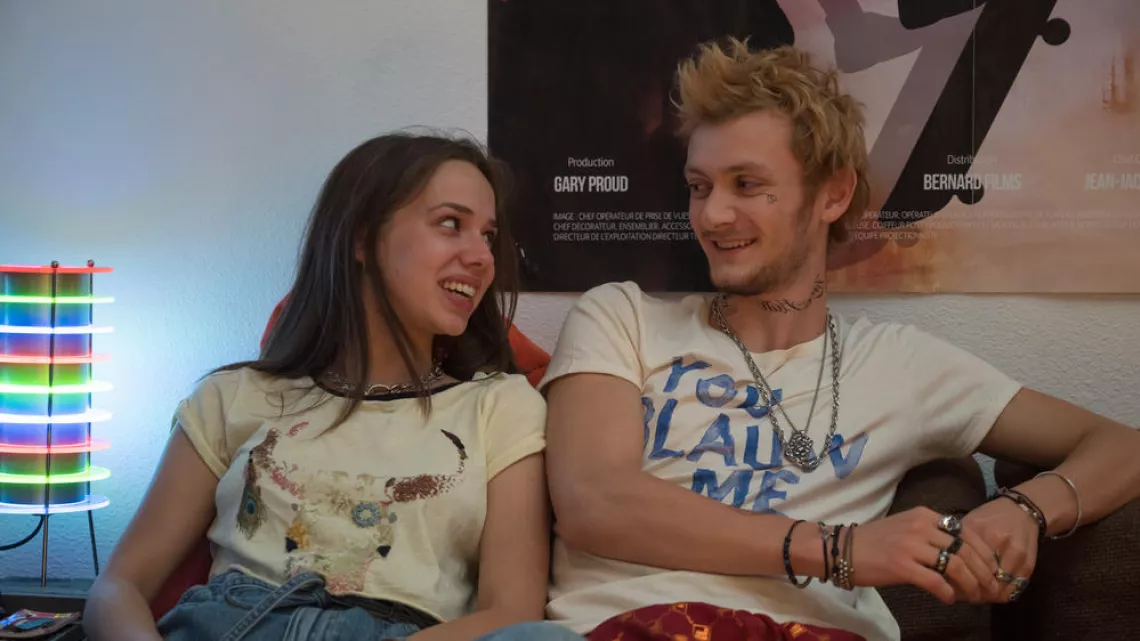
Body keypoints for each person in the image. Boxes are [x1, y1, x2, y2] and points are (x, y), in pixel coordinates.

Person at [535, 39, 1140, 641]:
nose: (712, 215)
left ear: (833, 194)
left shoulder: (899, 364)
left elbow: (1122, 446)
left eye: (746, 184)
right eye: (700, 186)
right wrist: (839, 549)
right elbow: (596, 503)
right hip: (624, 628)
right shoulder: (622, 318)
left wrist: (1028, 507)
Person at [82, 132, 577, 641]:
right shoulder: (232, 396)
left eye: (488, 236)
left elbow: (510, 613)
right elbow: (118, 588)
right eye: (451, 224)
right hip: (235, 624)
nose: (482, 258)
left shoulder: (500, 406)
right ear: (362, 237)